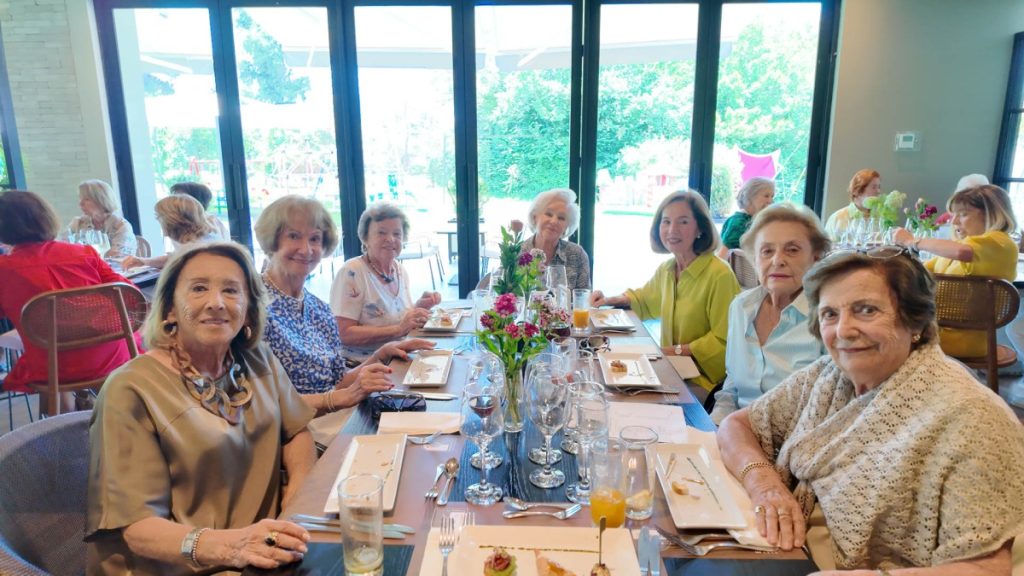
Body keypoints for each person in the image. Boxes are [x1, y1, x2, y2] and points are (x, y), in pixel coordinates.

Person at [716, 250, 1024, 574]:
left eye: (866, 310)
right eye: (830, 314)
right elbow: (737, 426)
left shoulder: (973, 419)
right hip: (778, 547)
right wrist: (764, 484)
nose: (843, 331)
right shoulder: (829, 376)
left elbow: (987, 568)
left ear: (916, 321)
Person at [86, 242, 316, 574]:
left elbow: (296, 433)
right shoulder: (130, 390)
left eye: (231, 290)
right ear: (170, 309)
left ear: (249, 309)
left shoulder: (258, 359)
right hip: (179, 565)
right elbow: (137, 528)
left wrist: (296, 505)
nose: (216, 302)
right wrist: (235, 546)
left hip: (263, 553)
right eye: (198, 289)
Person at [254, 196, 433, 440]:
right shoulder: (253, 308)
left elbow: (339, 381)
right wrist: (339, 398)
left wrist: (381, 354)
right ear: (271, 240)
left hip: (339, 415)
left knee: (429, 425)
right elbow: (260, 406)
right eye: (293, 236)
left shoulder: (317, 308)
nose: (306, 249)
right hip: (298, 433)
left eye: (315, 239)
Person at [0, 190, 136, 414]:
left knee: (49, 353)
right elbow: (130, 294)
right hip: (110, 354)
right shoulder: (84, 253)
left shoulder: (4, 269)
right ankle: (111, 413)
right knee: (59, 349)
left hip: (52, 366)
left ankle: (62, 428)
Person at [591, 190, 740, 394]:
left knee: (622, 393)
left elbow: (724, 340)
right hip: (672, 367)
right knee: (603, 378)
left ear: (700, 228)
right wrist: (609, 299)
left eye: (683, 222)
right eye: (666, 221)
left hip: (704, 380)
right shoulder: (668, 268)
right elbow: (645, 299)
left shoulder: (719, 274)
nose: (672, 230)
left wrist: (674, 351)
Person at [710, 204, 828, 424]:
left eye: (792, 250)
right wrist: (715, 427)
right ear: (755, 259)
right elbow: (732, 387)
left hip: (796, 438)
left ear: (816, 258)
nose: (777, 260)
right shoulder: (741, 307)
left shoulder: (828, 319)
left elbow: (828, 413)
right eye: (767, 251)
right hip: (736, 431)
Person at [892, 184, 1017, 357]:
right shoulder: (962, 246)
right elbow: (918, 270)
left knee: (883, 337)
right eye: (954, 215)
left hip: (960, 340)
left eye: (963, 214)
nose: (954, 221)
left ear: (991, 214)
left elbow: (962, 252)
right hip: (933, 332)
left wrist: (912, 241)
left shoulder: (1000, 243)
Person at [330, 203, 441, 361]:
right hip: (364, 366)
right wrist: (398, 330)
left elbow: (398, 318)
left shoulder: (399, 270)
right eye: (381, 233)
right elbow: (342, 333)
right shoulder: (352, 272)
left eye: (397, 234)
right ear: (365, 238)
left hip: (400, 357)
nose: (390, 239)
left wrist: (420, 307)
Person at [516, 188, 592, 289]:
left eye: (561, 218)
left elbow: (584, 296)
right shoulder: (515, 253)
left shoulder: (577, 254)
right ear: (535, 217)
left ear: (567, 227)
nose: (554, 221)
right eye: (548, 214)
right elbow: (503, 294)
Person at [121, 194, 220, 270]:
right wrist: (144, 261)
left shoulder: (195, 251)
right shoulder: (198, 241)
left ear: (170, 221)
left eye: (158, 216)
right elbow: (173, 257)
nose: (157, 220)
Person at [67, 179, 138, 259]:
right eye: (80, 199)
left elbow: (118, 257)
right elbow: (65, 249)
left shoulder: (120, 225)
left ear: (102, 200)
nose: (81, 204)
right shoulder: (78, 223)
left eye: (86, 199)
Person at [719, 177, 775, 251]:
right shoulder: (738, 222)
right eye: (766, 196)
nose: (771, 201)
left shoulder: (756, 220)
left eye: (772, 196)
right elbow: (723, 253)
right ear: (750, 197)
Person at [823, 169, 881, 239]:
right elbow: (826, 245)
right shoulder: (838, 218)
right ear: (857, 190)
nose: (878, 191)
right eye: (874, 187)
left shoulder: (881, 218)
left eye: (879, 187)